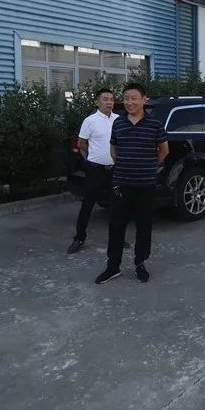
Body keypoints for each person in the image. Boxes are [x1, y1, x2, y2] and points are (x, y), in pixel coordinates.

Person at [95, 83, 168, 285]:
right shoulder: (118, 123)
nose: (129, 102)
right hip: (121, 184)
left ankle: (140, 263)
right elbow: (113, 150)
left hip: (145, 185)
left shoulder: (155, 124)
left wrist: (149, 166)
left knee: (144, 226)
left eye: (134, 98)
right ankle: (113, 266)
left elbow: (164, 150)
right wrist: (123, 165)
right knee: (116, 226)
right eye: (126, 98)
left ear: (144, 99)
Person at [67, 88, 118, 253]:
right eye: (105, 99)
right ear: (97, 102)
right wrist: (94, 154)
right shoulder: (90, 121)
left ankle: (117, 238)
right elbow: (81, 143)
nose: (109, 102)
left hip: (114, 170)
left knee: (117, 205)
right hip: (95, 170)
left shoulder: (118, 120)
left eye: (111, 99)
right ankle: (79, 238)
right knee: (88, 204)